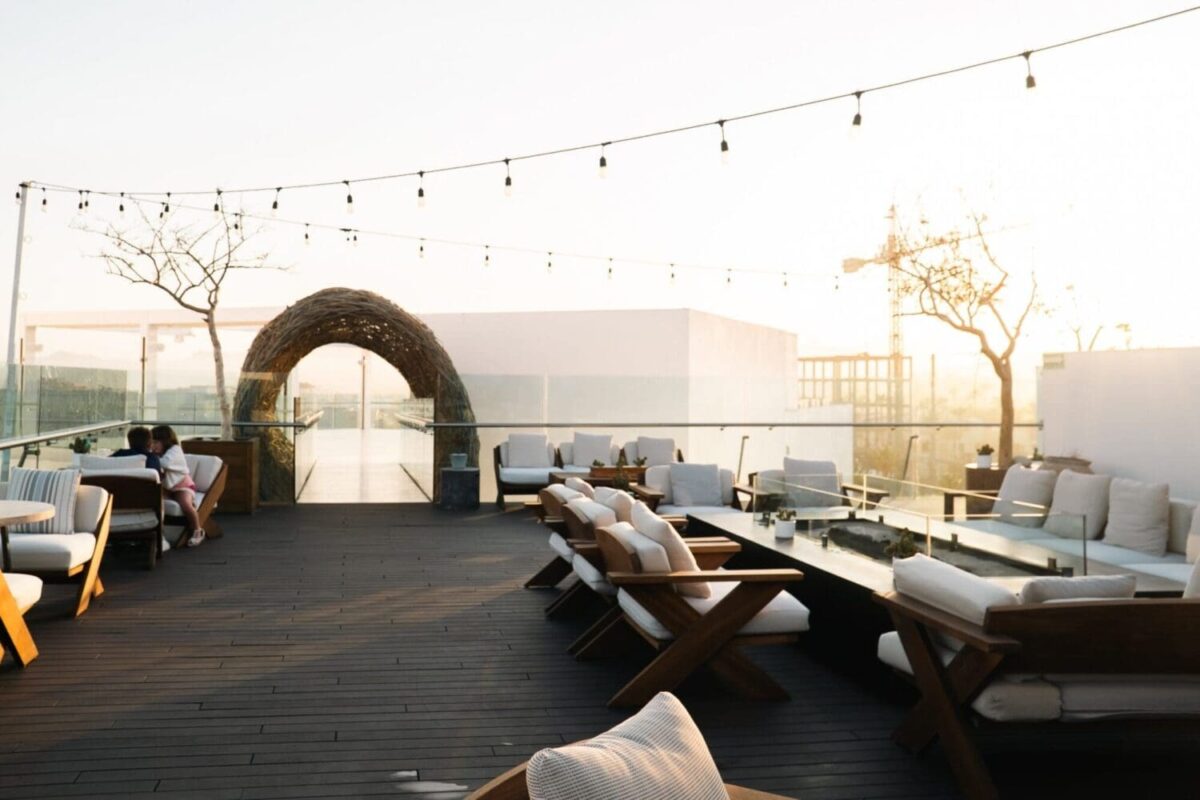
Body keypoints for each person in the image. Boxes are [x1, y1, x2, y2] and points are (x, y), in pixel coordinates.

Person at [150, 425, 205, 547]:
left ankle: (197, 530)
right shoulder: (156, 455)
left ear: (165, 441)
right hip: (168, 487)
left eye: (156, 442)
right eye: (151, 442)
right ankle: (159, 533)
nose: (153, 446)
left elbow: (165, 463)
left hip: (182, 485)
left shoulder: (175, 450)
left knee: (185, 504)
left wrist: (150, 457)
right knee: (153, 499)